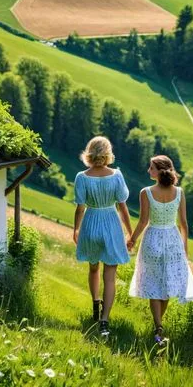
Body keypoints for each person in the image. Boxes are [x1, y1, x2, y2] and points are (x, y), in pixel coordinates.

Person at [127, 155, 193, 345]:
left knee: (154, 285)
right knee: (166, 287)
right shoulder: (180, 192)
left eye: (151, 167)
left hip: (152, 239)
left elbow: (143, 222)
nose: (148, 170)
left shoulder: (146, 192)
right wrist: (185, 249)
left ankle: (158, 325)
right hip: (173, 241)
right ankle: (158, 326)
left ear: (160, 171)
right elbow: (184, 224)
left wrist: (132, 240)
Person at [74, 136, 132, 336]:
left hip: (90, 223)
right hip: (111, 223)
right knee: (110, 277)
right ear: (108, 153)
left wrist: (76, 229)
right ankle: (105, 320)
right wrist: (130, 232)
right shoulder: (116, 175)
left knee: (93, 269)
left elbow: (80, 207)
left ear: (89, 152)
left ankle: (95, 303)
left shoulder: (82, 177)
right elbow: (122, 207)